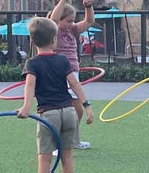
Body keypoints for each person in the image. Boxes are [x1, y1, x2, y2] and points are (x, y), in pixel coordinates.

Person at [17, 17, 94, 173]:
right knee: (67, 157)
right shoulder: (63, 60)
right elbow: (75, 84)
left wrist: (26, 108)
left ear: (32, 40)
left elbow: (30, 86)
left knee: (45, 159)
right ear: (54, 39)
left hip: (48, 114)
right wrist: (87, 106)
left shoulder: (32, 63)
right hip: (69, 112)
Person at [47, 0, 95, 150]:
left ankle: (72, 139)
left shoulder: (72, 30)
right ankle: (58, 142)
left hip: (73, 71)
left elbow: (89, 21)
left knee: (77, 109)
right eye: (68, 21)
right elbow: (53, 18)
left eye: (73, 20)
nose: (71, 23)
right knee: (59, 109)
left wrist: (88, 6)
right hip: (59, 72)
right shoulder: (55, 30)